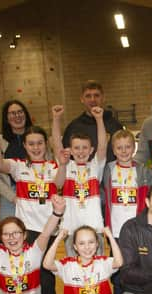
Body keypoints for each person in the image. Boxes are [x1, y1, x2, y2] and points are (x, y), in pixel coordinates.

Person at [0, 123, 63, 294]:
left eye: (39, 143)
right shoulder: (18, 165)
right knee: (26, 272)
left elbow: (61, 183)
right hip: (26, 231)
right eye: (31, 144)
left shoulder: (53, 166)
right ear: (25, 146)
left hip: (48, 229)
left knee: (45, 273)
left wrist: (62, 165)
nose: (36, 147)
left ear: (45, 144)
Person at [102, 129, 152, 294]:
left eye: (128, 147)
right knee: (118, 267)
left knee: (140, 265)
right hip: (116, 231)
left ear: (134, 148)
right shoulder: (107, 169)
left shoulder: (142, 170)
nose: (124, 151)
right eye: (119, 148)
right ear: (114, 150)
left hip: (138, 229)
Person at [52, 105, 108, 256]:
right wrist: (56, 119)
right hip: (70, 229)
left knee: (97, 270)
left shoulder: (96, 166)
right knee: (74, 272)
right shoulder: (66, 165)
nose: (81, 151)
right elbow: (57, 144)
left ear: (91, 150)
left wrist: (99, 119)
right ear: (70, 149)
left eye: (85, 148)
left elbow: (102, 146)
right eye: (76, 148)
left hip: (94, 229)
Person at [0, 100, 34, 220]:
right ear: (6, 118)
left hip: (36, 192)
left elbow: (49, 164)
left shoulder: (37, 137)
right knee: (10, 233)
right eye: (12, 113)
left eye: (20, 112)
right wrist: (13, 197)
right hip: (11, 196)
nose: (17, 116)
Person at [63, 81, 123, 162]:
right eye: (88, 96)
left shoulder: (115, 125)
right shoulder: (73, 127)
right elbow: (66, 157)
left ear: (103, 98)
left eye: (96, 95)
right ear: (82, 99)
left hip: (111, 173)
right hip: (82, 173)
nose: (93, 99)